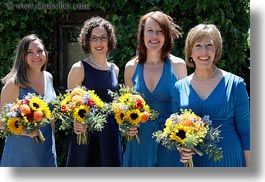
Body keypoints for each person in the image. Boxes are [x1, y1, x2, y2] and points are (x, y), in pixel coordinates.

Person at [174, 24, 250, 167]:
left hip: (228, 159)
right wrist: (181, 148)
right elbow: (175, 131)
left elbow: (247, 133)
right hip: (192, 162)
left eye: (209, 45)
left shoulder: (235, 85)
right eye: (198, 45)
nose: (204, 51)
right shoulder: (179, 88)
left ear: (216, 50)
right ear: (190, 51)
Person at [123, 10, 187, 167]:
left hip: (170, 142)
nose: (154, 36)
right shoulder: (131, 67)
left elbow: (184, 109)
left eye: (160, 31)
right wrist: (126, 126)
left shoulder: (178, 66)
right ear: (142, 35)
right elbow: (127, 108)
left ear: (166, 36)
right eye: (150, 31)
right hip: (139, 143)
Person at [66, 16, 123, 167]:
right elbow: (69, 106)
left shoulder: (115, 69)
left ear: (109, 40)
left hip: (110, 135)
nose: (99, 43)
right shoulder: (79, 68)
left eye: (103, 38)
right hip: (86, 135)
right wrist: (76, 122)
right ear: (87, 41)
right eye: (94, 38)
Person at [0, 34, 57, 167]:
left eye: (40, 51)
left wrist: (52, 143)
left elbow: (51, 116)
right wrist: (26, 131)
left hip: (46, 151)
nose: (37, 56)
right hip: (21, 155)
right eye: (30, 52)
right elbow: (1, 122)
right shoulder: (14, 84)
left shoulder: (49, 77)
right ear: (22, 56)